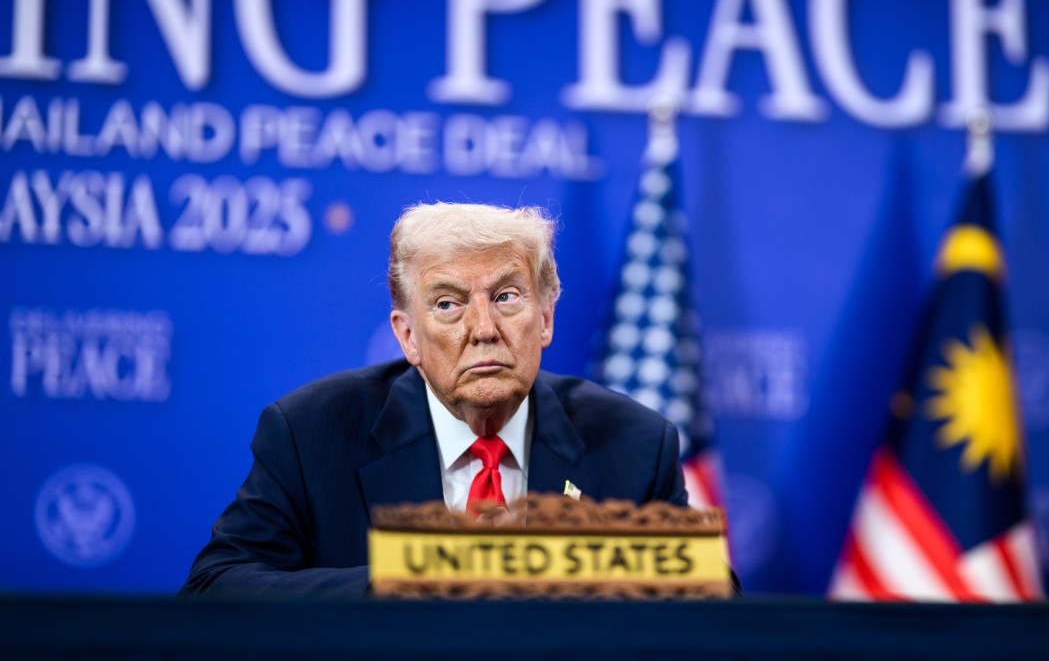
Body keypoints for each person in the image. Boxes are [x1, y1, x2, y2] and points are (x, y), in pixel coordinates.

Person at [181, 202, 687, 597]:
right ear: (408, 337)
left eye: (507, 296)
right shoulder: (311, 432)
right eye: (448, 304)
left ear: (547, 316)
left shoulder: (635, 443)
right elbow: (214, 589)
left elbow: (710, 611)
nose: (484, 330)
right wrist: (407, 582)